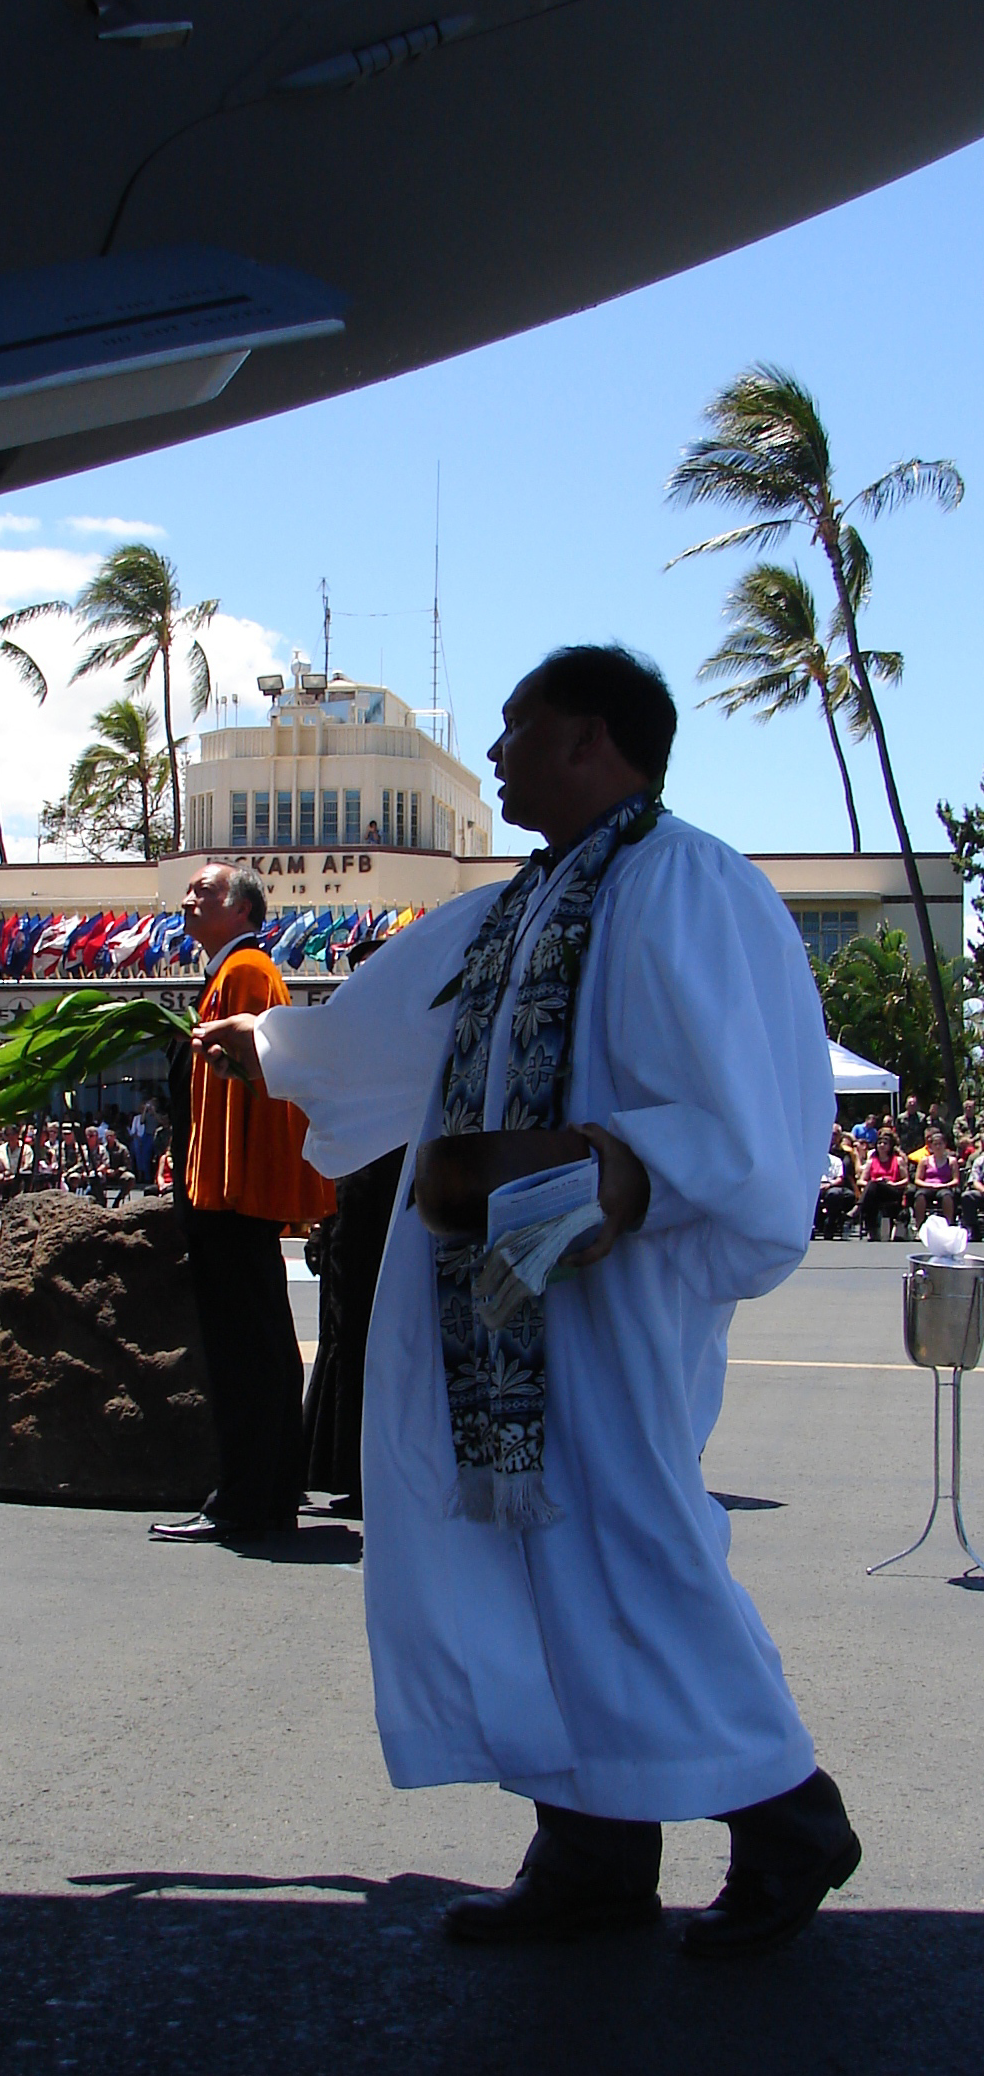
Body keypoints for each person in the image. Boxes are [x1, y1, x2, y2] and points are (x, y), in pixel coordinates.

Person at [195, 645, 859, 1954]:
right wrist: (271, 1045)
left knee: (634, 1542)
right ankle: (592, 1851)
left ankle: (788, 1814)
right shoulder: (524, 900)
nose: (494, 752)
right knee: (528, 1545)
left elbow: (745, 1104)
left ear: (592, 738)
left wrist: (616, 1172)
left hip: (610, 1282)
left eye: (517, 725)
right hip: (503, 1282)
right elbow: (396, 1020)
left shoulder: (685, 883)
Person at [150, 862, 335, 1545]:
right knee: (255, 1342)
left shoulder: (246, 972)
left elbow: (241, 1087)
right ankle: (263, 1493)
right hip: (226, 1187)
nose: (189, 899)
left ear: (242, 908)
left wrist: (214, 1179)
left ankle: (246, 1500)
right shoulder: (236, 971)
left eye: (205, 891)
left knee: (243, 1348)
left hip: (229, 1195)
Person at [859, 1129, 907, 1241]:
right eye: (879, 1143)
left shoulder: (898, 1160)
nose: (882, 1145)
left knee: (873, 1184)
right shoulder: (872, 1161)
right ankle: (873, 1229)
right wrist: (876, 1182)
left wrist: (893, 1183)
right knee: (873, 1185)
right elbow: (861, 1181)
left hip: (892, 1190)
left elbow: (906, 1180)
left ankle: (858, 1207)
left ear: (890, 1146)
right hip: (875, 1193)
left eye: (885, 1143)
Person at [912, 1127, 958, 1224]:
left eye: (940, 1144)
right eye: (935, 1144)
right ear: (931, 1146)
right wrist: (930, 1185)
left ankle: (948, 1224)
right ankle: (919, 1226)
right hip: (928, 1186)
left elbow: (956, 1180)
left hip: (944, 1186)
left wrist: (945, 1185)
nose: (938, 1146)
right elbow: (917, 1180)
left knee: (947, 1196)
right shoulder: (924, 1161)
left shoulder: (952, 1161)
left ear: (945, 1145)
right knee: (919, 1195)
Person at [816, 1130, 857, 1241]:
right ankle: (812, 1225)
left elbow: (840, 1178)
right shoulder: (813, 1159)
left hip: (831, 1186)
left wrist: (828, 1185)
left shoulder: (836, 1160)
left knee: (835, 1194)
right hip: (815, 1186)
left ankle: (830, 1225)